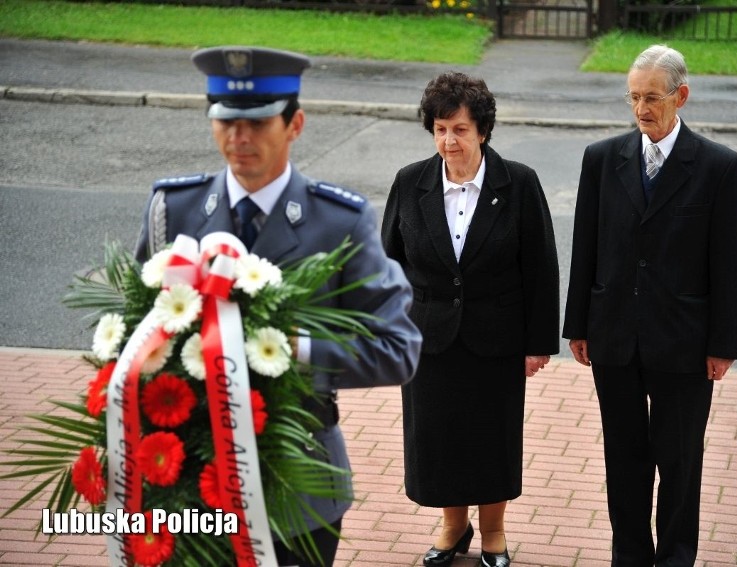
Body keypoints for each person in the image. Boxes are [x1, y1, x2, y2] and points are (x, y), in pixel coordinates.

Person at [133, 46, 422, 567]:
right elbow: (135, 334)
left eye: (258, 122)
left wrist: (294, 348)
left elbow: (398, 349)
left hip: (299, 484)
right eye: (225, 121)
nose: (238, 138)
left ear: (295, 125)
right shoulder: (172, 211)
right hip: (190, 481)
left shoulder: (339, 223)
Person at [562, 44, 737, 566]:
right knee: (624, 459)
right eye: (633, 98)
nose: (642, 109)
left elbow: (729, 267)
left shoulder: (719, 167)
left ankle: (674, 558)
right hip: (615, 337)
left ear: (681, 96)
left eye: (652, 98)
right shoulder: (601, 160)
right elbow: (587, 247)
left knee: (680, 460)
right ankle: (630, 556)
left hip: (684, 344)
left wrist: (723, 345)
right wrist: (579, 324)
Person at [381, 71, 560, 567]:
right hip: (428, 337)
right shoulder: (409, 182)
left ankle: (494, 532)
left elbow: (541, 267)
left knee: (491, 437)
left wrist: (537, 342)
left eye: (459, 129)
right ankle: (452, 525)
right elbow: (388, 264)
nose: (448, 140)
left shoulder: (518, 183)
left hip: (496, 338)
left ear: (482, 130)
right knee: (438, 437)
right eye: (440, 128)